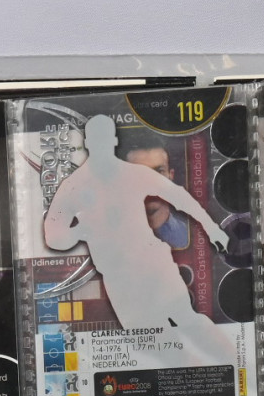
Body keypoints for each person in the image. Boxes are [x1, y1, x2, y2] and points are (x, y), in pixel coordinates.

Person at [43, 114, 232, 366]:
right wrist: (78, 232)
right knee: (151, 342)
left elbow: (178, 196)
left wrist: (212, 228)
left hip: (153, 265)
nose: (101, 147)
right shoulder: (73, 187)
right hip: (120, 279)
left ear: (113, 141)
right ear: (87, 143)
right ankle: (203, 376)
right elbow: (53, 235)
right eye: (96, 142)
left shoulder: (133, 174)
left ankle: (236, 363)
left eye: (105, 141)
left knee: (187, 320)